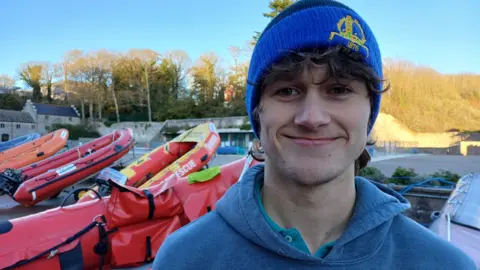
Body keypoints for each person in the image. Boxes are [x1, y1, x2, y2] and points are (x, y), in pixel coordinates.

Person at [152, 0, 476, 269]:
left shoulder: (443, 264)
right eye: (288, 90)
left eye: (339, 89)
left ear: (369, 113)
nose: (312, 118)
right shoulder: (183, 259)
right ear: (258, 112)